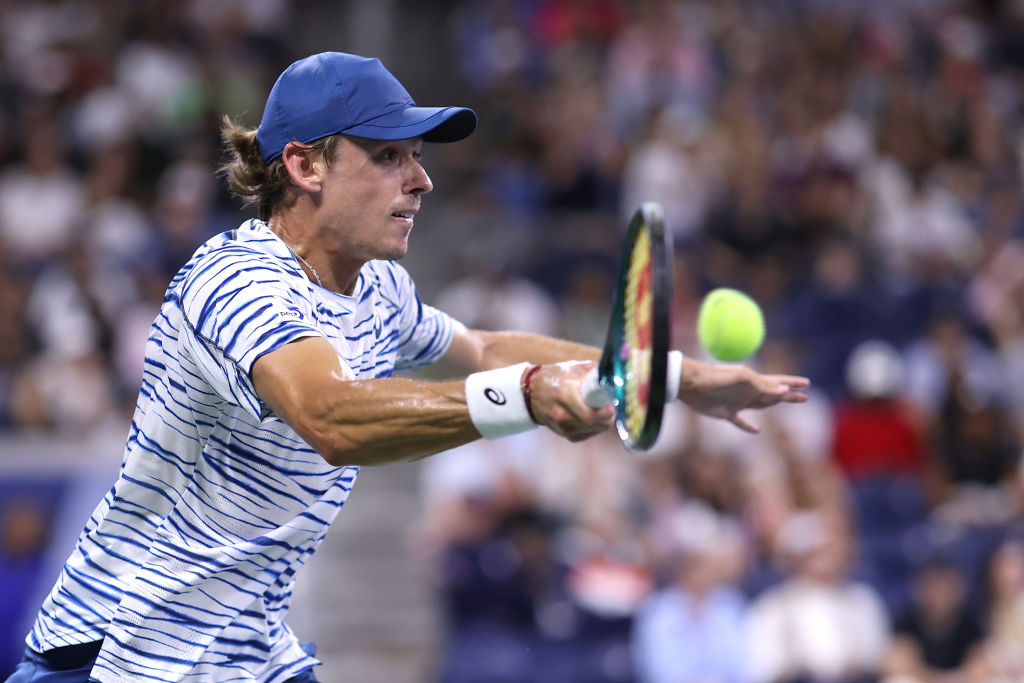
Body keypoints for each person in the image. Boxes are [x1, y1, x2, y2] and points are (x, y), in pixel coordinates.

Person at [7, 51, 809, 683]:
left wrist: (680, 377)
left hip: (248, 654)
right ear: (304, 166)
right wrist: (525, 399)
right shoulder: (235, 281)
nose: (421, 179)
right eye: (389, 155)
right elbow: (331, 416)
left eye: (417, 156)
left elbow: (489, 347)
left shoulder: (379, 288)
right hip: (115, 657)